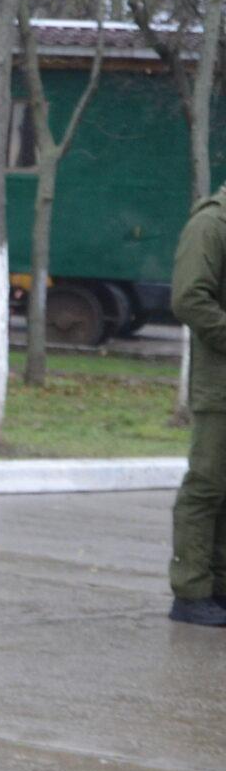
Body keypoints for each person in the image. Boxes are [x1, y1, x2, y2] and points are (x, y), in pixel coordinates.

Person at [168, 180, 226, 627]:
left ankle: (218, 588)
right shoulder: (210, 224)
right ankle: (190, 592)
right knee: (206, 485)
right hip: (219, 385)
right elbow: (189, 298)